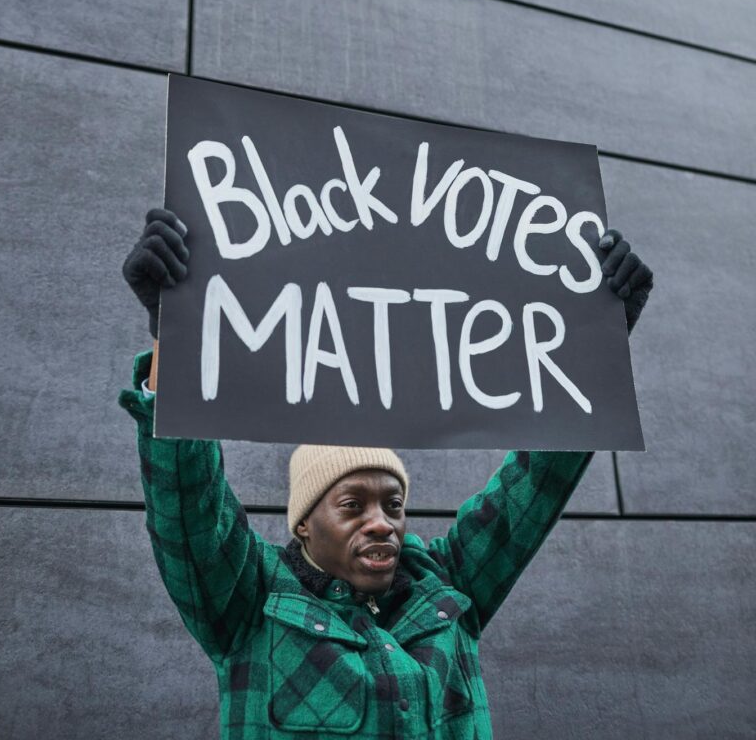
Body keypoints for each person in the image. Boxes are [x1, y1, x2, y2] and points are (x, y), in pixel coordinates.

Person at [121, 208, 653, 739]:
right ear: (304, 523)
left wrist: (596, 343)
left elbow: (533, 486)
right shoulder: (250, 600)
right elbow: (188, 504)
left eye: (393, 505)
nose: (381, 523)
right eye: (353, 505)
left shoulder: (446, 586)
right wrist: (177, 327)